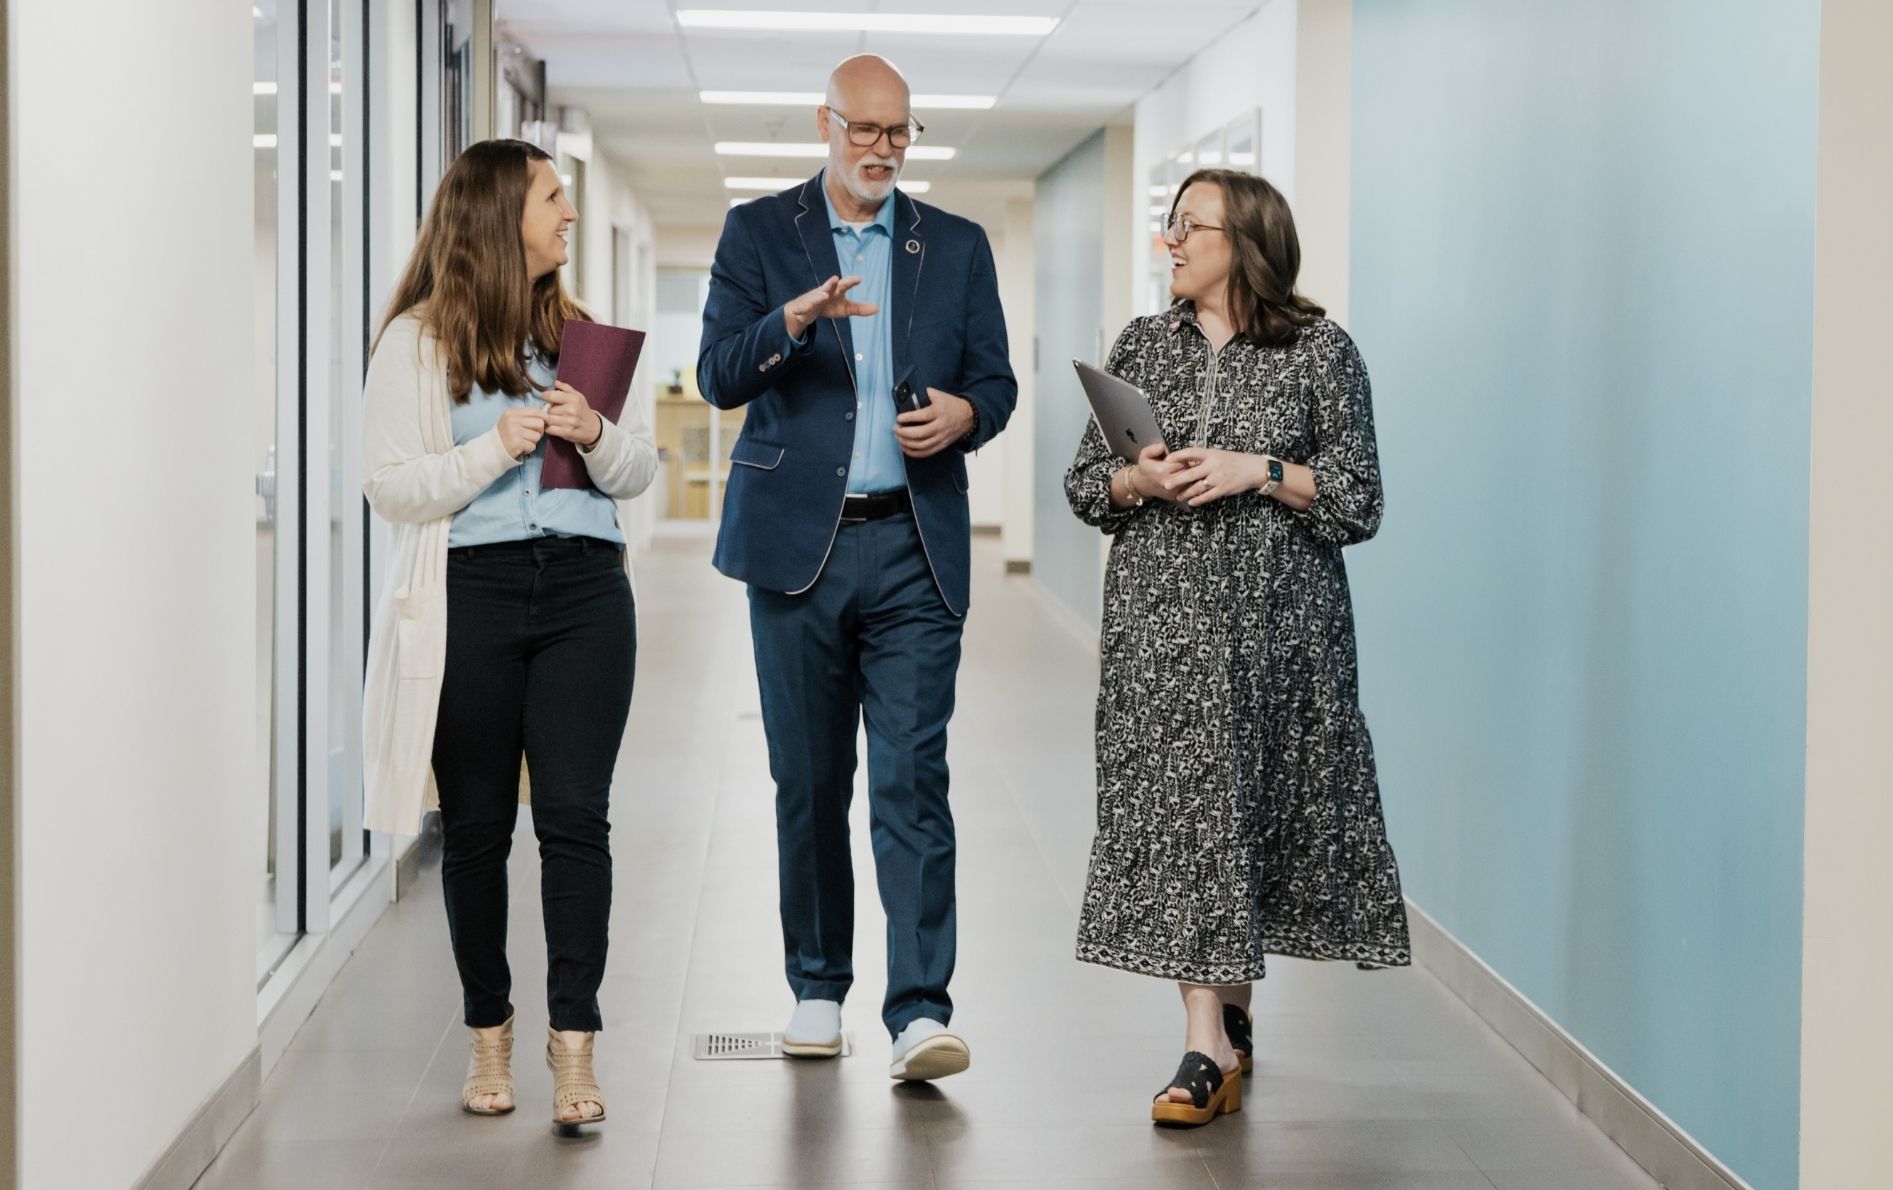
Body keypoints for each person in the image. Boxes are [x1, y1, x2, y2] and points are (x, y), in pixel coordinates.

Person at [1064, 169, 1412, 1126]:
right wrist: (1138, 479)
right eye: (1168, 226)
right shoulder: (1141, 344)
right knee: (1186, 820)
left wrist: (1255, 470)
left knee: (1251, 815)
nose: (1170, 242)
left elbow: (1358, 500)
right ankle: (1203, 1043)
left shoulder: (1321, 354)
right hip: (1160, 636)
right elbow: (1084, 489)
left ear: (1246, 241)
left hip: (1280, 640)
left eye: (1189, 226)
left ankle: (1232, 1018)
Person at [697, 54, 1015, 1081]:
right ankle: (816, 988)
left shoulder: (954, 248)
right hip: (799, 551)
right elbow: (715, 375)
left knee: (912, 778)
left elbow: (997, 384)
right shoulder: (759, 234)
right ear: (824, 123)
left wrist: (968, 415)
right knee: (809, 779)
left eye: (898, 134)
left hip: (913, 547)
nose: (881, 150)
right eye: (864, 131)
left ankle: (920, 1011)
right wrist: (793, 318)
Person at [360, 138, 658, 1125]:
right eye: (552, 198)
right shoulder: (415, 343)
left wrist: (594, 434)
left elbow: (637, 472)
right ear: (499, 217)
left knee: (576, 823)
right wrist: (495, 446)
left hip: (583, 594)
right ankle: (488, 1031)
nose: (568, 214)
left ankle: (575, 1046)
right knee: (479, 831)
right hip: (472, 598)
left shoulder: (573, 331)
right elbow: (392, 488)